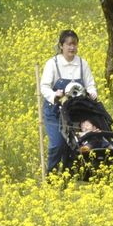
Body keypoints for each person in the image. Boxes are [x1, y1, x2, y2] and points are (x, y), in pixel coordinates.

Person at [39, 30, 98, 173]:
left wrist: (92, 93)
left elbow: (90, 84)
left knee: (73, 144)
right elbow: (44, 87)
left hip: (74, 111)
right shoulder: (53, 64)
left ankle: (68, 175)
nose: (72, 47)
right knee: (57, 144)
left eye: (75, 44)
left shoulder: (82, 64)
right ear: (61, 46)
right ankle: (51, 175)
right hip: (55, 111)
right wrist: (55, 95)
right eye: (69, 44)